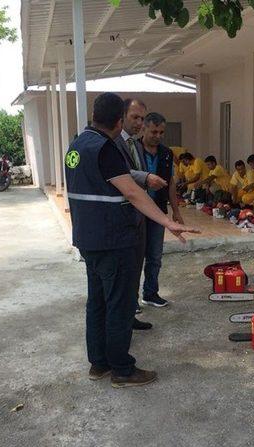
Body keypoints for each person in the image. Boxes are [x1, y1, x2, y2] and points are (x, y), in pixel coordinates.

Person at [64, 93, 197, 388]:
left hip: (89, 238)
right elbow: (133, 193)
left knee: (97, 301)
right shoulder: (105, 148)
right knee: (120, 305)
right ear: (119, 120)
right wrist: (166, 221)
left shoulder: (76, 145)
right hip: (114, 239)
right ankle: (122, 369)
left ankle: (99, 363)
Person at [115, 98, 167, 323]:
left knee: (147, 259)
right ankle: (129, 305)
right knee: (129, 264)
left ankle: (142, 299)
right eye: (134, 117)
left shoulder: (137, 146)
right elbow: (124, 174)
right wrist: (146, 178)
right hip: (128, 214)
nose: (139, 122)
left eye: (141, 118)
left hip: (148, 212)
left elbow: (169, 182)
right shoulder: (114, 143)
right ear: (122, 116)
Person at [133, 112, 184, 309]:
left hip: (159, 212)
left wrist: (176, 211)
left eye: (161, 132)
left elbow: (170, 182)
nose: (158, 135)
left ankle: (151, 293)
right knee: (136, 257)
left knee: (155, 256)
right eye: (154, 131)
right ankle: (132, 300)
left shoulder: (166, 153)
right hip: (136, 212)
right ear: (144, 128)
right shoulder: (133, 150)